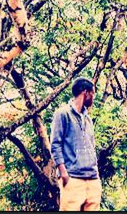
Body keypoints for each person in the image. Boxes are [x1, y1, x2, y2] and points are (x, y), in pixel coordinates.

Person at [50, 77, 102, 211]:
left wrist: (96, 174)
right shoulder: (62, 114)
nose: (93, 98)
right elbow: (55, 145)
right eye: (93, 94)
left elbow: (92, 146)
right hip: (73, 179)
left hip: (93, 179)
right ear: (86, 93)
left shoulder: (88, 119)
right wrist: (64, 174)